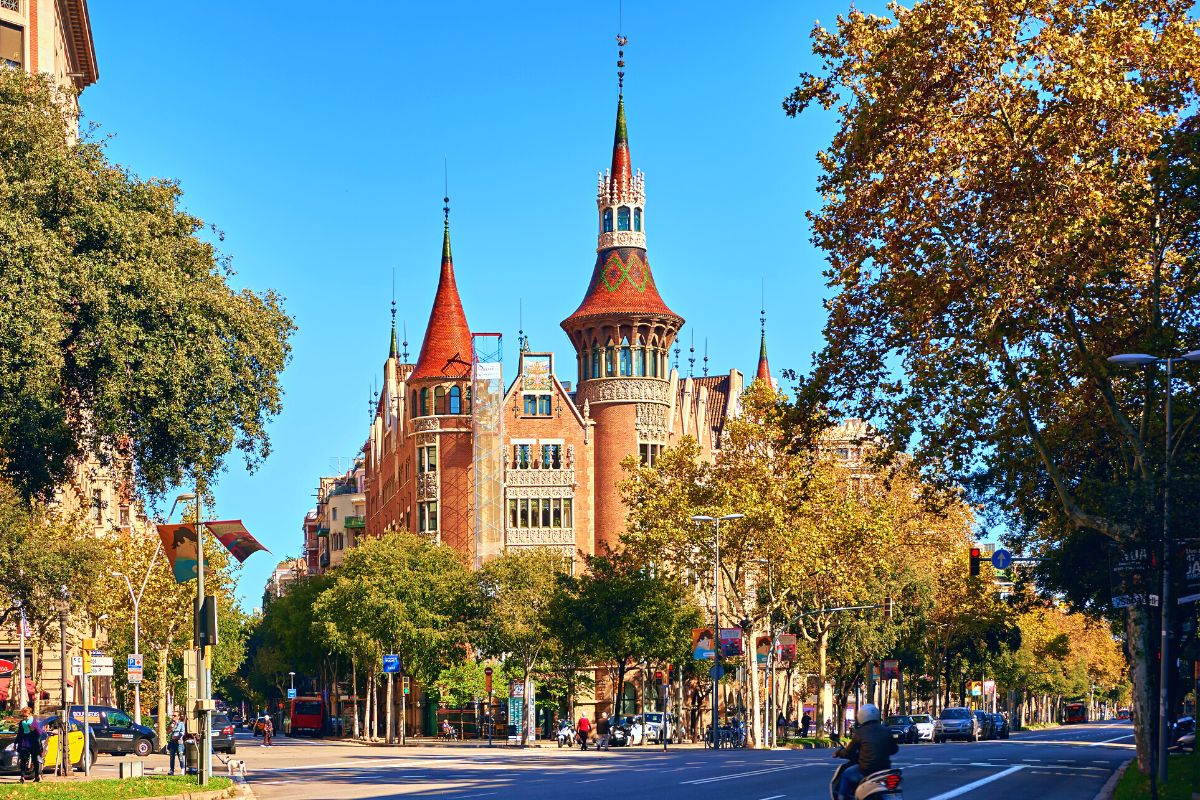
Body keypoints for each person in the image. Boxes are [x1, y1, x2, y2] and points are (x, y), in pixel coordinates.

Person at [834, 703, 897, 800]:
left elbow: (849, 752)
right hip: (884, 770)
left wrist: (839, 753)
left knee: (846, 774)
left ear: (861, 716)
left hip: (866, 770)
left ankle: (842, 798)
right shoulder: (886, 730)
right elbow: (894, 749)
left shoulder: (860, 732)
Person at [15, 706, 43, 783]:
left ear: (30, 714)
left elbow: (40, 733)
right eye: (23, 716)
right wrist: (15, 743)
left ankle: (37, 776)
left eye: (26, 716)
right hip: (24, 744)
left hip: (33, 744)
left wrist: (33, 729)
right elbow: (19, 733)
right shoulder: (22, 723)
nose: (24, 718)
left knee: (35, 760)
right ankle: (22, 777)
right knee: (23, 760)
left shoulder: (34, 722)